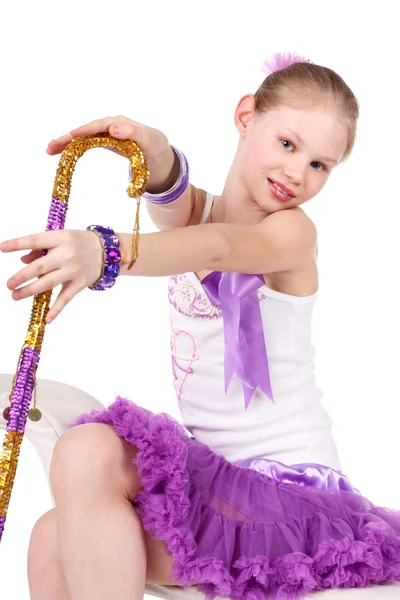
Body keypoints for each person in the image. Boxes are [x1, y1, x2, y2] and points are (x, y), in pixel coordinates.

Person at [1, 52, 399, 600]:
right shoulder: (201, 216)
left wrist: (107, 252)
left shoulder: (291, 236)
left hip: (288, 502)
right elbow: (180, 207)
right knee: (51, 531)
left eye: (319, 165)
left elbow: (220, 246)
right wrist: (156, 152)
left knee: (87, 450)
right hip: (215, 483)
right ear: (246, 116)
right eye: (288, 144)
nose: (296, 173)